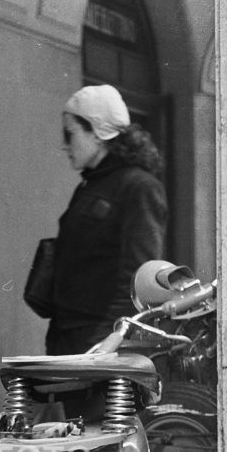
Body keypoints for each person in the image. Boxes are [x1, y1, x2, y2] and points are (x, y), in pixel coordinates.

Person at [47, 84, 168, 358]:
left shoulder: (139, 187)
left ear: (98, 133)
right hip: (69, 341)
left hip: (101, 346)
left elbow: (137, 280)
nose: (65, 144)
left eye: (70, 133)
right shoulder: (90, 186)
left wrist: (106, 344)